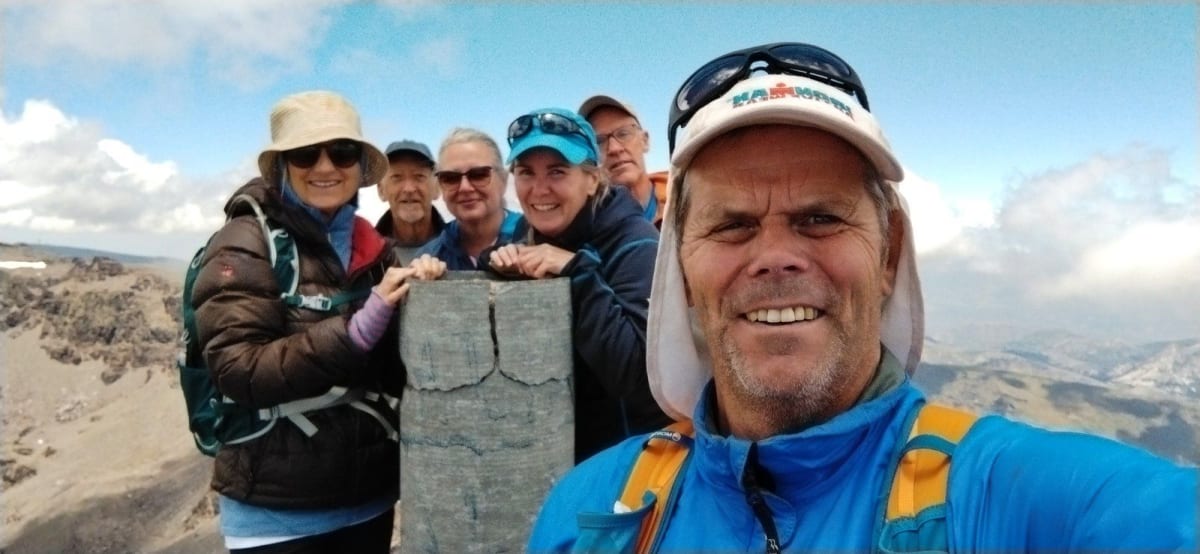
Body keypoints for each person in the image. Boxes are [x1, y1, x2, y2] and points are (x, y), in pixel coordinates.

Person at [529, 43, 1197, 552]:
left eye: (821, 217)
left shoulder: (1011, 496)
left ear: (889, 254)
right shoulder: (587, 512)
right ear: (680, 267)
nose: (774, 257)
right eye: (732, 225)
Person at [191, 90, 445, 553]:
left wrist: (426, 302)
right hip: (277, 517)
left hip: (369, 501)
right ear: (284, 164)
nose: (326, 167)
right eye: (306, 153)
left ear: (359, 167)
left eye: (342, 152)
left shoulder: (374, 248)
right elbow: (237, 370)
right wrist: (356, 330)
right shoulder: (244, 242)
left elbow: (393, 369)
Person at [482, 107, 672, 463]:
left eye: (557, 171)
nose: (540, 190)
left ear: (591, 179)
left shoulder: (636, 242)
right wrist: (497, 262)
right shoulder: (525, 234)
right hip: (557, 458)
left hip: (627, 464)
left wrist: (578, 274)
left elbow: (641, 379)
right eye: (526, 173)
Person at [416, 128, 527, 270]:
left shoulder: (534, 240)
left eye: (479, 174)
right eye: (450, 178)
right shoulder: (429, 257)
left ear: (503, 180)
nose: (465, 187)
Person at [578, 95, 668, 226]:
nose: (614, 148)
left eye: (623, 134)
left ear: (645, 141)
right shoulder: (584, 225)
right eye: (599, 141)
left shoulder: (689, 197)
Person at [374, 139, 446, 263]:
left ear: (437, 188)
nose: (409, 189)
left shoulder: (462, 247)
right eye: (397, 177)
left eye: (419, 176)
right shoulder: (364, 253)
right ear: (381, 190)